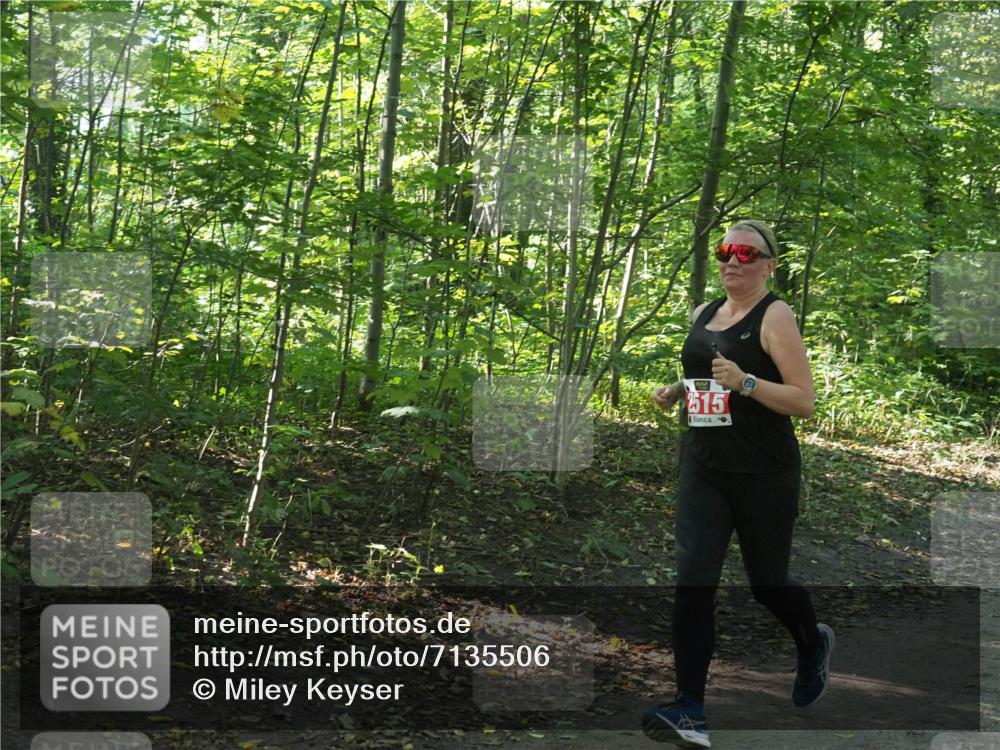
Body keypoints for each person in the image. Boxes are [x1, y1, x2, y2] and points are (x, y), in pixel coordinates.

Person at [641, 220, 833, 748]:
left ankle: (811, 643)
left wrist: (746, 383)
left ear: (768, 264)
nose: (732, 260)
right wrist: (682, 387)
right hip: (705, 466)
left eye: (747, 253)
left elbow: (803, 401)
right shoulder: (703, 312)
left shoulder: (776, 316)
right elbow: (711, 368)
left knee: (767, 584)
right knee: (692, 582)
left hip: (765, 473)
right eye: (726, 250)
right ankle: (691, 712)